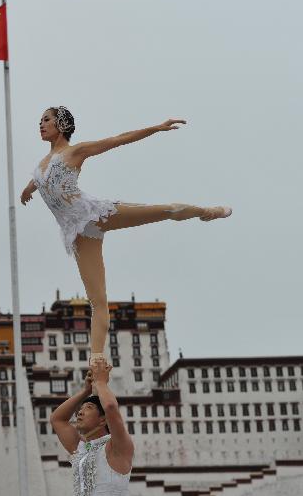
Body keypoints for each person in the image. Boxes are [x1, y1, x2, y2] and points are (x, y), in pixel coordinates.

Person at [21, 106, 232, 365]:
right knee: (97, 301)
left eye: (46, 120)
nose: (40, 124)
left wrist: (155, 128)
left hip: (93, 214)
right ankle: (97, 360)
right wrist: (27, 191)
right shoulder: (40, 165)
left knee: (164, 210)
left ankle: (206, 211)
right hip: (77, 233)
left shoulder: (75, 151)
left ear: (61, 125)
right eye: (39, 120)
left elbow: (117, 140)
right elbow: (36, 180)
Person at [50, 359, 133, 496]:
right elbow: (57, 419)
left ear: (103, 420)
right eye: (80, 409)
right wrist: (85, 391)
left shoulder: (116, 446)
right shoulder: (81, 448)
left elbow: (111, 408)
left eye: (88, 408)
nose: (80, 413)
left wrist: (101, 382)